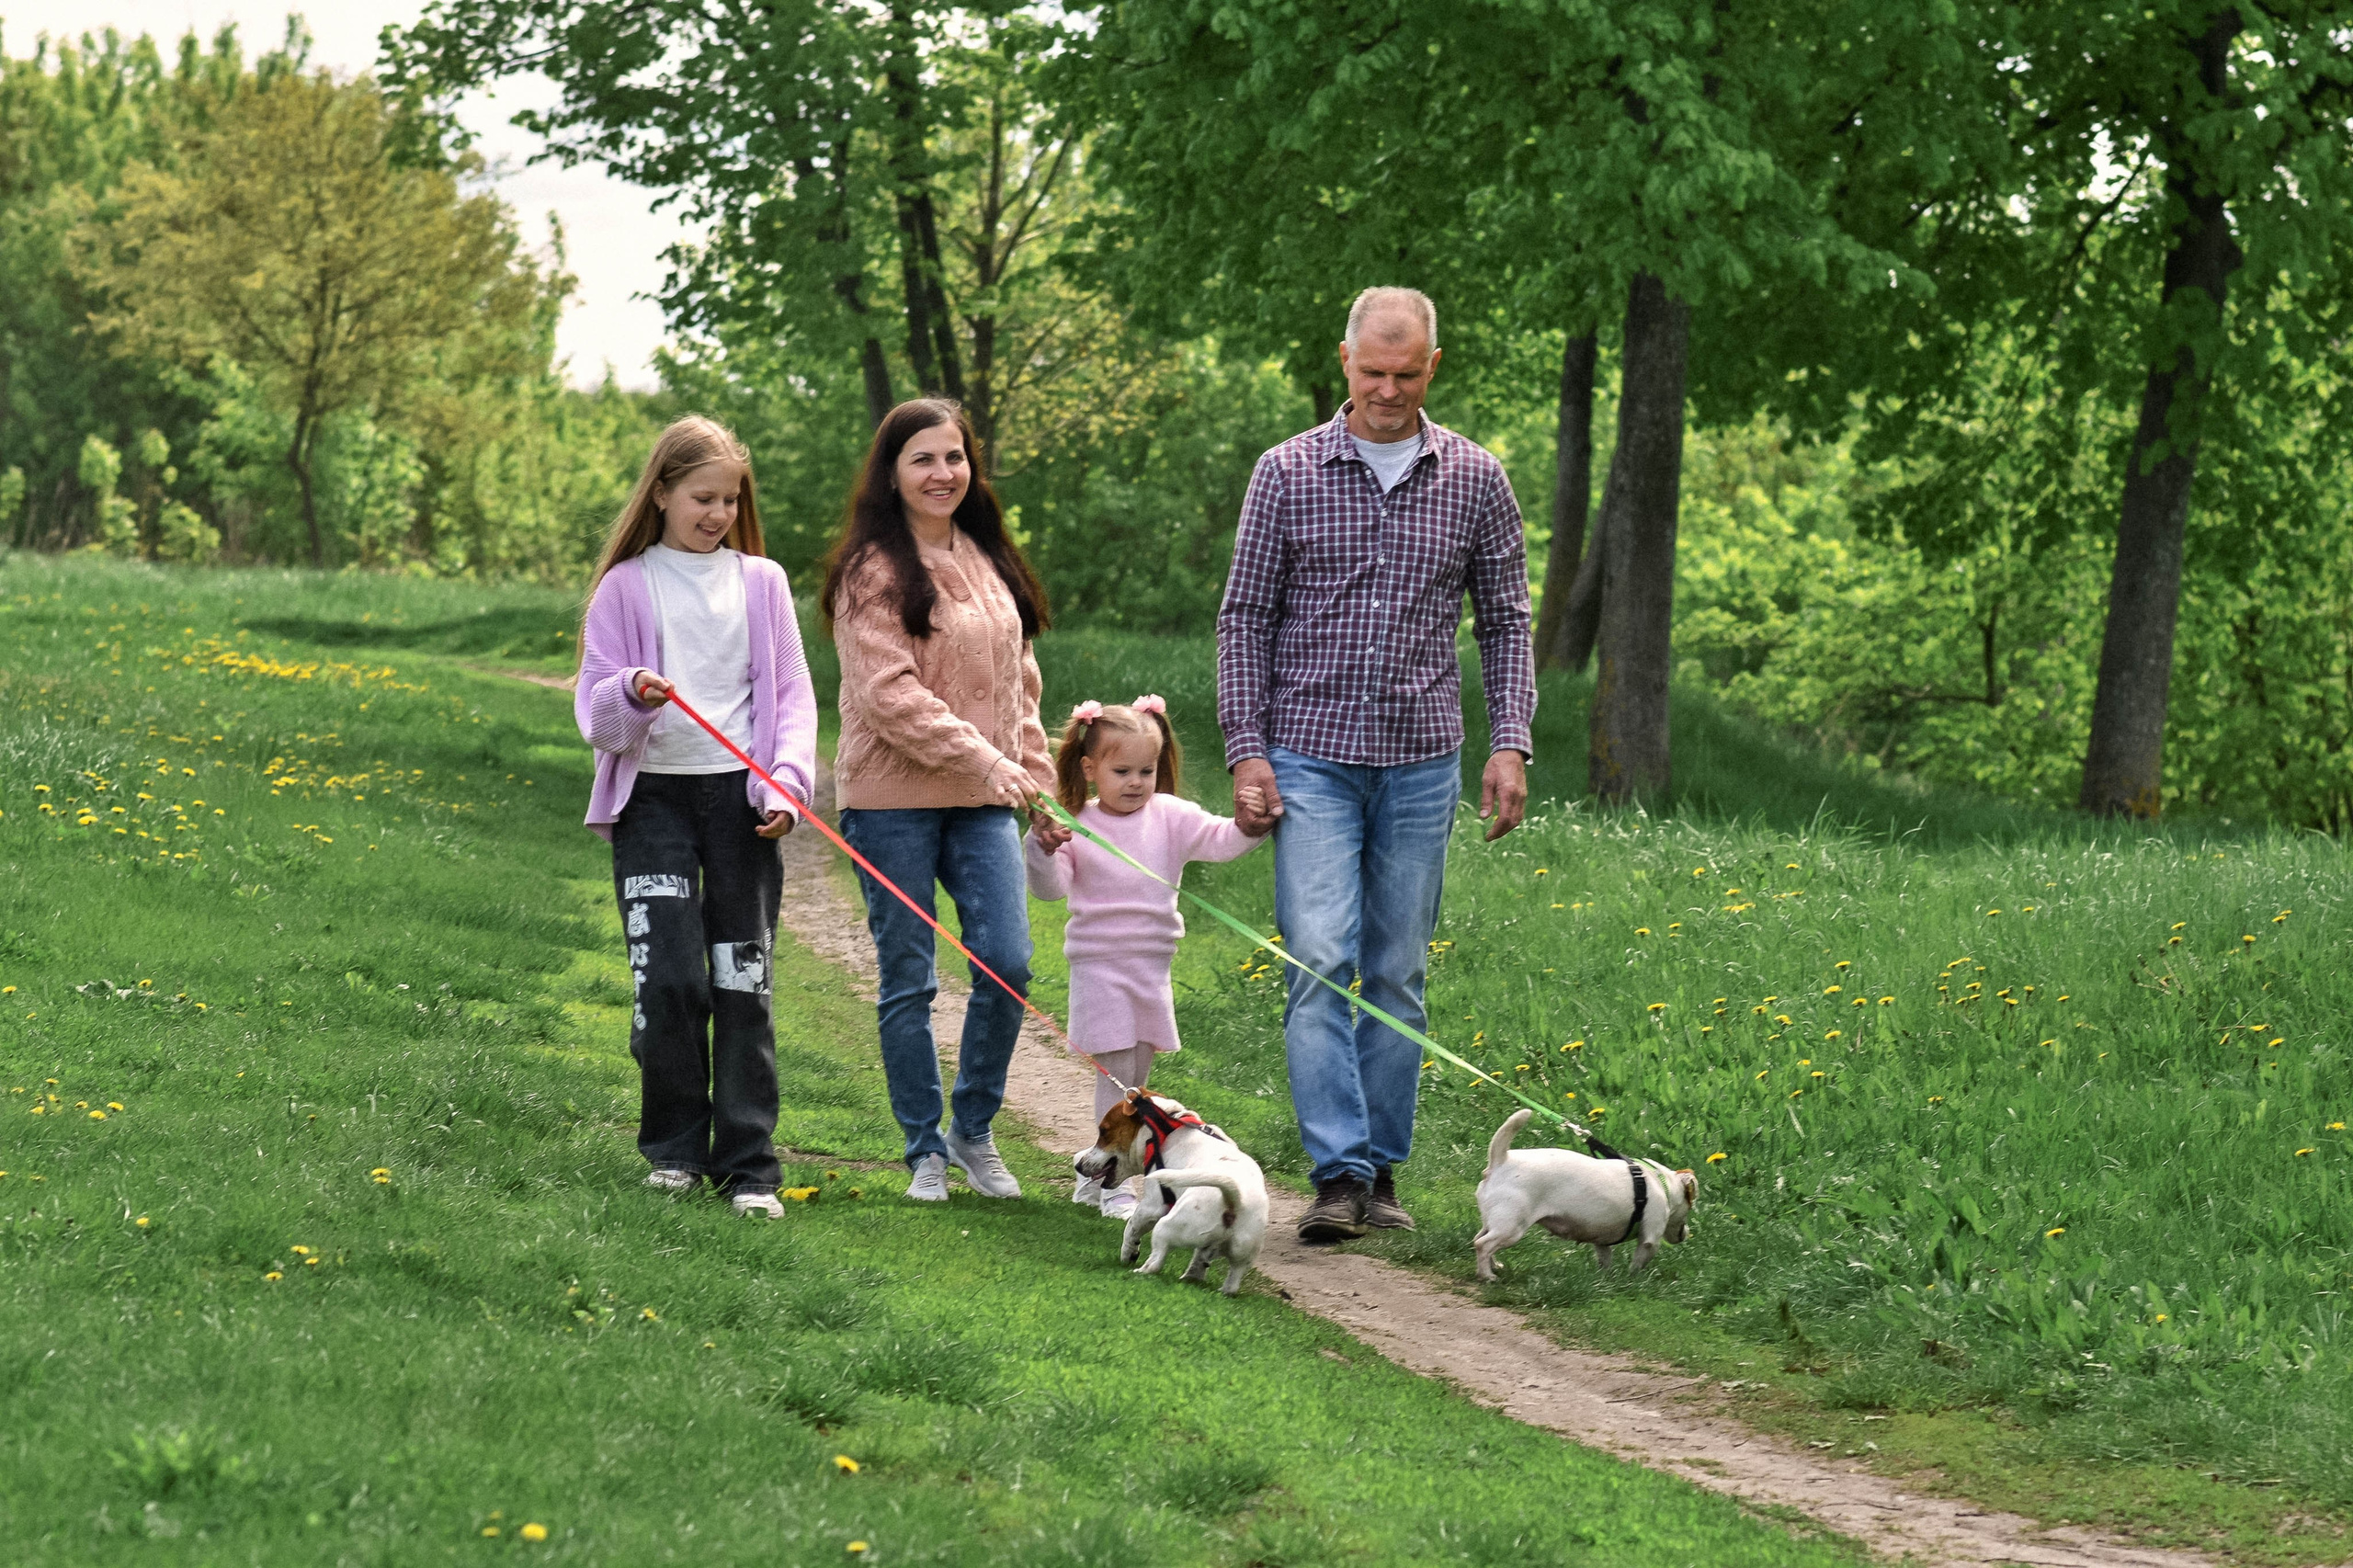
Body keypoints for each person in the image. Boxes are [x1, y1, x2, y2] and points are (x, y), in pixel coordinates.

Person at [1217, 285, 1535, 1244]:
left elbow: (1508, 621)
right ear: (1344, 362)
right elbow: (1244, 618)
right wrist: (1245, 751)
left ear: (1431, 367)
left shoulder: (1477, 479)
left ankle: (1383, 1167)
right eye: (1371, 373)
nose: (1388, 391)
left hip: (1419, 756)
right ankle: (1338, 1174)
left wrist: (1509, 739)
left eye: (1405, 374)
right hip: (1308, 752)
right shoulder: (1285, 471)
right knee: (1318, 957)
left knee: (1395, 970)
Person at [575, 415, 818, 1220]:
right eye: (700, 497)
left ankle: (749, 1165)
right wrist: (631, 693)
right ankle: (674, 1148)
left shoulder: (763, 583)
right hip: (654, 802)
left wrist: (784, 785)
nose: (715, 513)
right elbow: (598, 717)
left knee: (741, 979)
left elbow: (790, 699)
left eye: (728, 499)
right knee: (672, 978)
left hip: (739, 802)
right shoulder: (624, 587)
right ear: (663, 494)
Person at [821, 398, 1055, 1202]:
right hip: (891, 801)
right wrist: (988, 760)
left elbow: (1019, 685)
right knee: (909, 977)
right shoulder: (870, 572)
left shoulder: (989, 561)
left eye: (953, 457)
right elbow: (889, 695)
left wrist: (1038, 784)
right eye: (923, 458)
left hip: (984, 797)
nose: (941, 473)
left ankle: (973, 1129)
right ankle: (923, 1149)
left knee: (1009, 961)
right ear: (892, 472)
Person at [1025, 697, 1270, 1219]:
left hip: (1151, 967)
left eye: (1147, 770)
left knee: (1136, 1079)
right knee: (1115, 1076)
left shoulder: (1171, 817)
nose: (1136, 782)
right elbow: (1048, 890)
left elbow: (1221, 840)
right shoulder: (1076, 824)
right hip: (1099, 966)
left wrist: (1251, 827)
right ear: (1090, 769)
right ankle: (1112, 1183)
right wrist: (1040, 846)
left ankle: (1092, 1181)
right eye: (1122, 771)